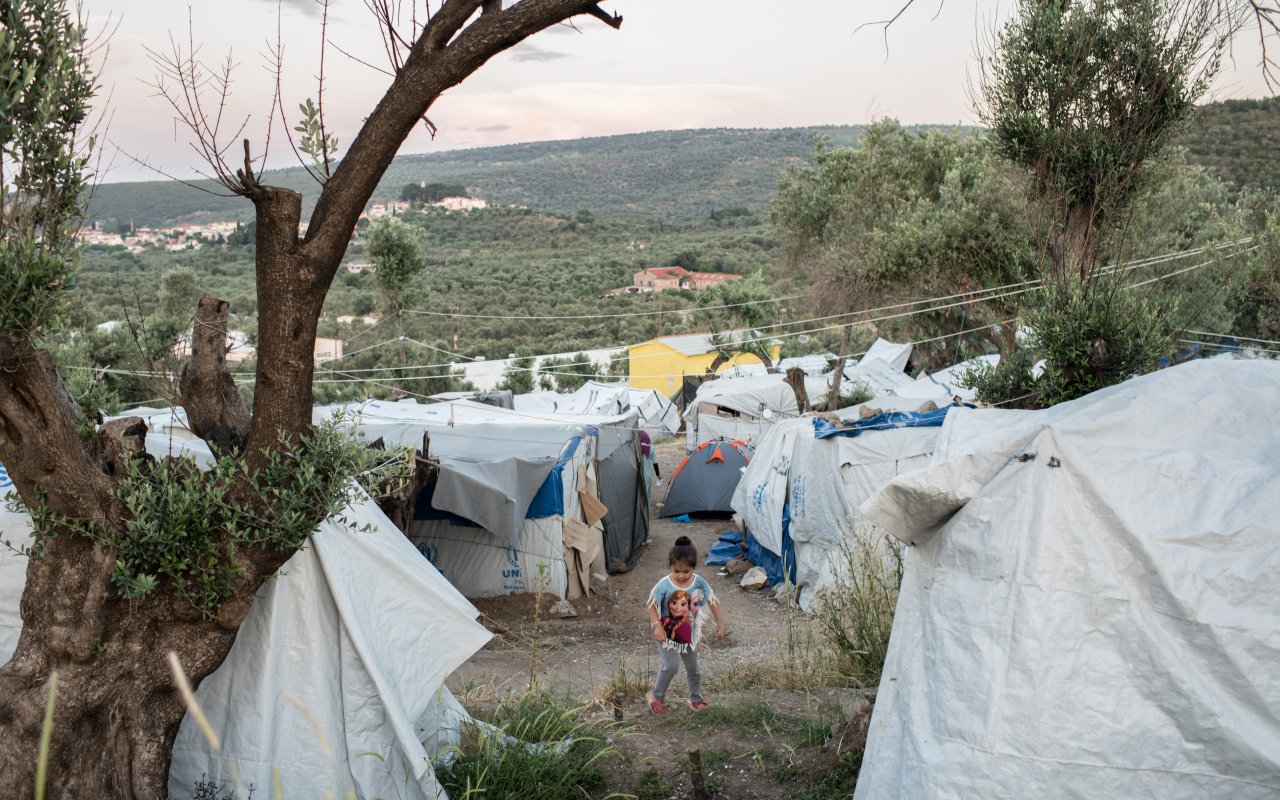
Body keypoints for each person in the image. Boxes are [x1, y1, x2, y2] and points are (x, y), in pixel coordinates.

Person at [645, 535, 727, 714]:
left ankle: (695, 699)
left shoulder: (699, 582)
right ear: (670, 567)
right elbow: (651, 604)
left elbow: (712, 601)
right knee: (671, 666)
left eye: (686, 571)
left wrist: (719, 621)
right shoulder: (664, 585)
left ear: (693, 568)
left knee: (693, 669)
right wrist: (657, 626)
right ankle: (656, 697)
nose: (681, 575)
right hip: (666, 633)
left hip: (688, 634)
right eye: (676, 571)